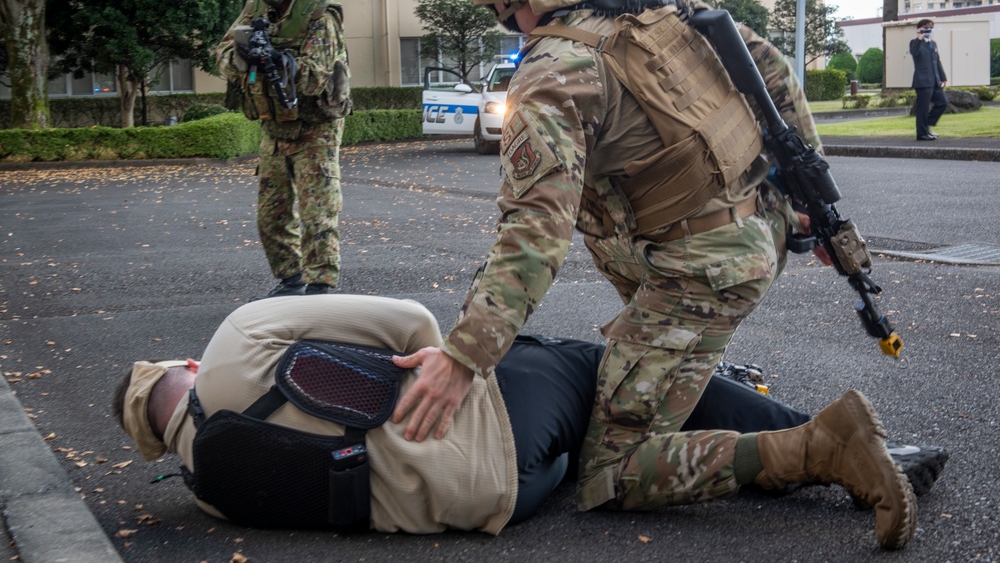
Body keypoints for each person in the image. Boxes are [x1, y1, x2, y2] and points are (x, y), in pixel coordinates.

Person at [390, 0, 919, 550]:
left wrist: (464, 357)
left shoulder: (552, 76)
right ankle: (698, 381)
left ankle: (823, 448)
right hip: (755, 231)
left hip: (696, 272)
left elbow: (535, 232)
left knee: (612, 476)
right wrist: (811, 195)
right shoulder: (649, 0)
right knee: (637, 354)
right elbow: (772, 72)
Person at [113, 295, 947, 534]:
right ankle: (831, 435)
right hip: (497, 430)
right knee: (591, 371)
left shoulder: (205, 488)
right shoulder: (235, 337)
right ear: (184, 368)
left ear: (159, 434)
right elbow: (410, 325)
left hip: (504, 501)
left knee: (605, 457)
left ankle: (809, 450)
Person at [216, 0, 351, 300]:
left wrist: (281, 61)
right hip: (274, 127)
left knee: (317, 211)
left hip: (316, 127)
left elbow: (314, 76)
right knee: (271, 216)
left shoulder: (319, 14)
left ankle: (320, 285)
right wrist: (245, 57)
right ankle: (291, 280)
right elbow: (222, 56)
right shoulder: (252, 10)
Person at [910, 18, 948, 141]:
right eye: (926, 28)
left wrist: (943, 77)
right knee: (923, 109)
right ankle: (922, 134)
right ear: (920, 29)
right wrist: (919, 37)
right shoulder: (915, 42)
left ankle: (926, 126)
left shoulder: (933, 44)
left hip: (935, 81)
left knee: (943, 102)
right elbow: (914, 52)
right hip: (922, 81)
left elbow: (937, 61)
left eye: (931, 27)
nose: (929, 30)